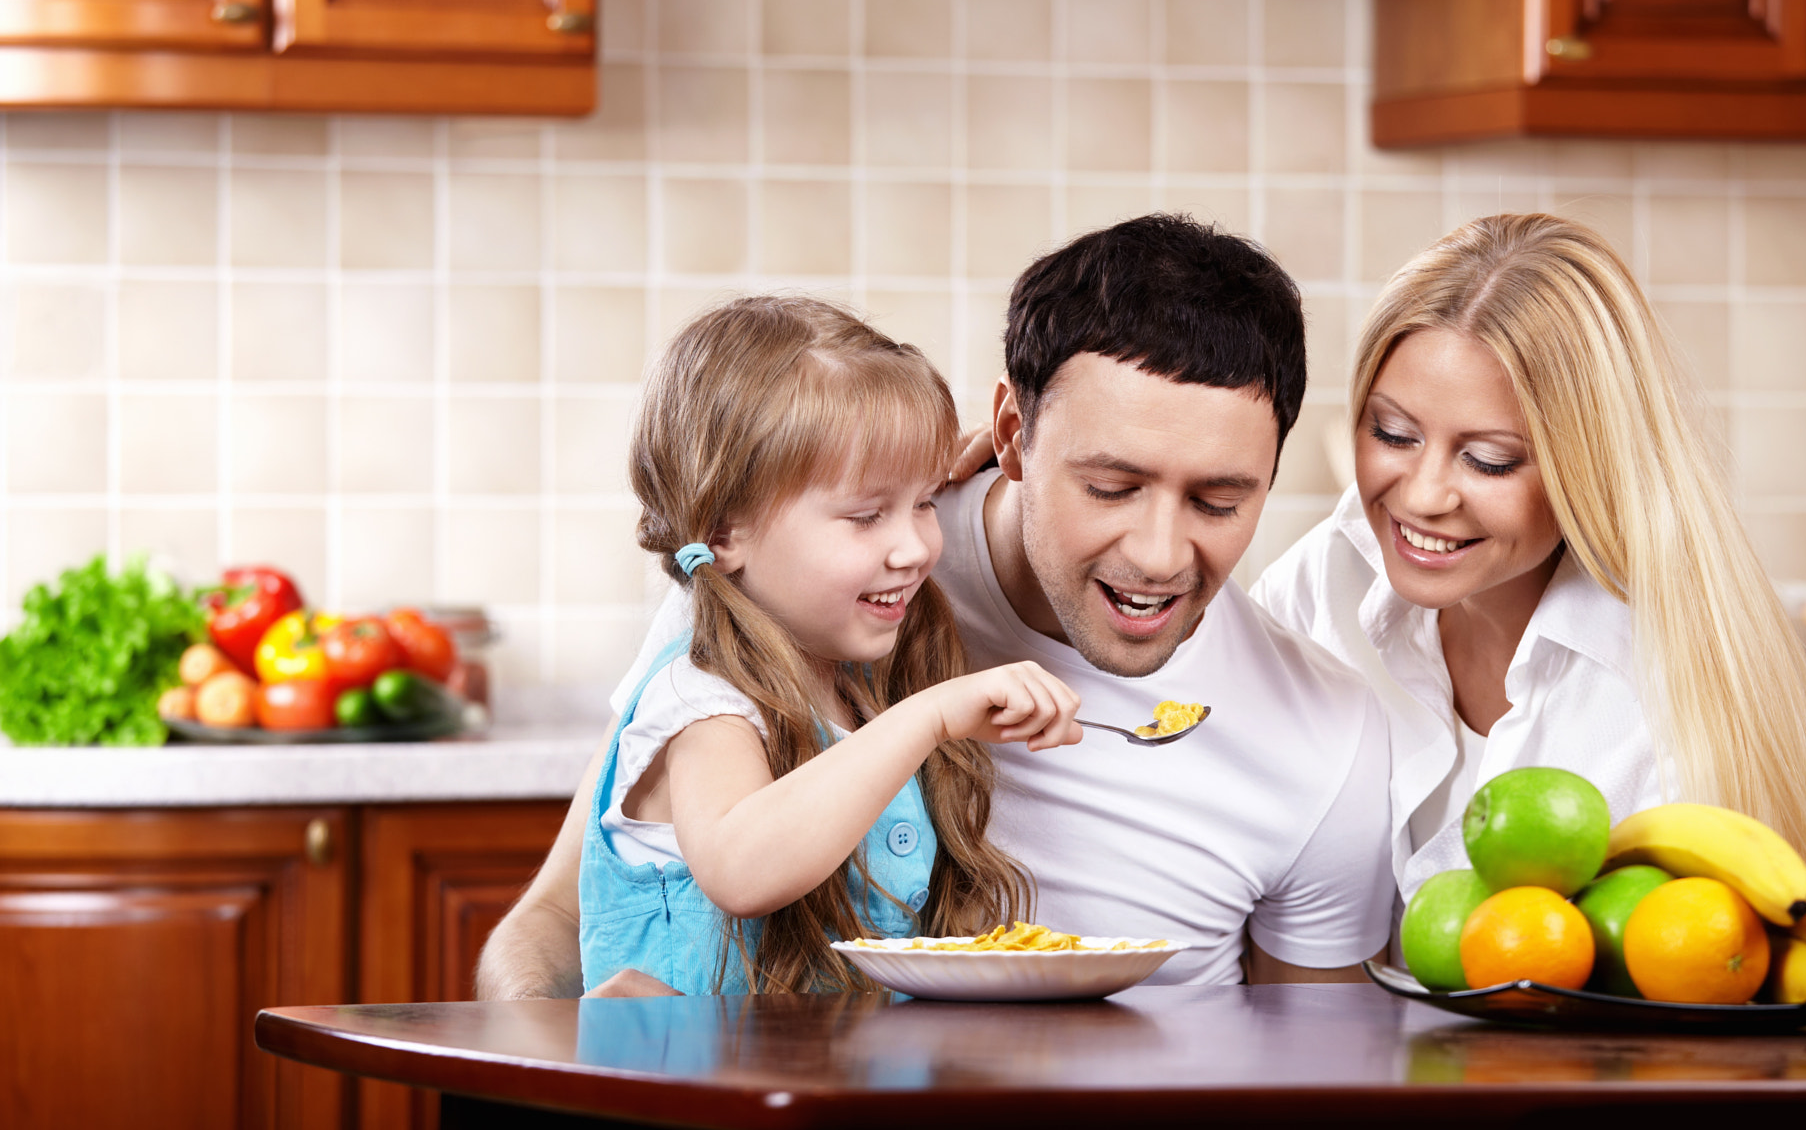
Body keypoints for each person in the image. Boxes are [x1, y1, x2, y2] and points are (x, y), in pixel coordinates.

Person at [477, 215, 1396, 999]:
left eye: (1219, 502)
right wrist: (574, 1064)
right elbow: (562, 918)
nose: (1159, 555)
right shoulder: (800, 587)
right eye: (1110, 486)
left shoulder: (1326, 736)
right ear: (1011, 437)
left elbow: (1313, 1071)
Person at [1251, 212, 1806, 911]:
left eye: (1489, 460)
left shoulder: (1667, 689)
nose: (1421, 495)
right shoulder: (1318, 588)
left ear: (1588, 467)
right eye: (1393, 432)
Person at [579, 295, 1082, 994]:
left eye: (925, 501)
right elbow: (742, 867)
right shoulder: (702, 699)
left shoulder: (856, 687)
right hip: (697, 1095)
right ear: (725, 531)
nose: (913, 547)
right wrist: (928, 718)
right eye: (866, 515)